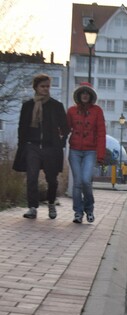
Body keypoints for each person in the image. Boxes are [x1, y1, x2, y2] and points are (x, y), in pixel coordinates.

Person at [12, 74, 69, 219]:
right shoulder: (28, 105)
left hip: (51, 147)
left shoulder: (56, 106)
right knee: (31, 177)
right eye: (42, 86)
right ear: (36, 87)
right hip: (32, 146)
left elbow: (65, 127)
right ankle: (32, 207)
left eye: (47, 86)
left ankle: (51, 204)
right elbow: (22, 127)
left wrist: (61, 143)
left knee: (52, 179)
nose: (45, 89)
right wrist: (22, 145)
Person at [67, 82, 106, 224]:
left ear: (90, 96)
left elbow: (101, 133)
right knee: (77, 183)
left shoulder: (97, 111)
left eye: (87, 93)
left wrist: (100, 155)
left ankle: (89, 209)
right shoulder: (71, 111)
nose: (84, 95)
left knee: (85, 180)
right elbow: (65, 129)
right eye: (82, 93)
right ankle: (78, 213)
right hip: (75, 150)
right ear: (78, 95)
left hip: (90, 150)